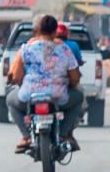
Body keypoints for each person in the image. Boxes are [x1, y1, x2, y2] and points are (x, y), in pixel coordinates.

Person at [5, 14, 82, 153]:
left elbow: (16, 76)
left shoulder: (26, 49)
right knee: (79, 97)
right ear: (55, 32)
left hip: (29, 96)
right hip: (58, 97)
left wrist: (22, 81)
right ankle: (64, 134)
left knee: (10, 99)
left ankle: (26, 137)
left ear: (38, 30)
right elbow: (75, 77)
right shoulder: (64, 49)